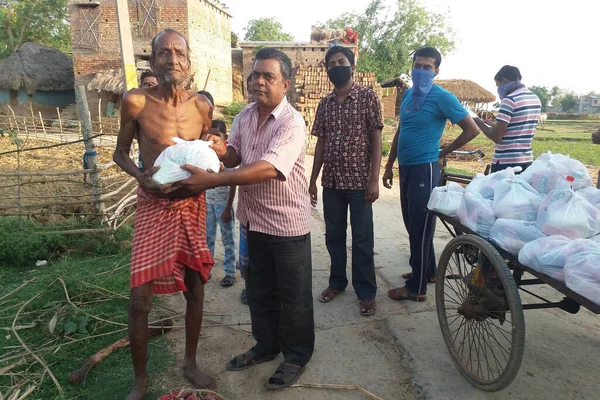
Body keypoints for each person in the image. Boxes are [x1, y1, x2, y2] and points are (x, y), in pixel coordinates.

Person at [176, 47, 314, 390]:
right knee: (258, 290)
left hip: (286, 226)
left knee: (293, 296)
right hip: (252, 221)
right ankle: (266, 345)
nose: (259, 82)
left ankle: (296, 355)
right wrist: (222, 151)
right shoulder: (244, 116)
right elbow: (237, 155)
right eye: (255, 75)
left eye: (269, 76)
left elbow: (269, 168)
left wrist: (213, 179)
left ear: (285, 84)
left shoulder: (292, 123)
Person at [112, 29, 216, 400]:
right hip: (153, 204)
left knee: (196, 287)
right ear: (153, 59)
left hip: (191, 206)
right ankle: (140, 382)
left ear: (188, 61)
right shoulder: (136, 102)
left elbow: (206, 151)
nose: (172, 59)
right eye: (164, 52)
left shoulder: (202, 106)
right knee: (140, 300)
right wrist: (143, 177)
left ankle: (190, 362)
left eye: (179, 52)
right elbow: (120, 152)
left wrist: (204, 177)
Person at [382, 46, 479, 302]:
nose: (421, 71)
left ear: (436, 71)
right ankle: (429, 271)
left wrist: (442, 151)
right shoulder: (408, 96)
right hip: (406, 167)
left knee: (420, 227)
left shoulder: (443, 97)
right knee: (414, 223)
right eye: (417, 66)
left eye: (427, 67)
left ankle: (417, 288)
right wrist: (389, 164)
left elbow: (471, 130)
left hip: (425, 167)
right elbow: (402, 131)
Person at [309, 46, 383, 316]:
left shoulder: (367, 98)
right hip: (332, 183)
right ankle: (337, 282)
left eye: (341, 62)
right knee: (334, 236)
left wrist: (374, 179)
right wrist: (313, 178)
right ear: (327, 69)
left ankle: (366, 292)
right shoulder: (325, 104)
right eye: (331, 64)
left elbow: (376, 138)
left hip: (360, 183)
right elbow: (321, 142)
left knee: (363, 239)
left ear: (351, 66)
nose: (336, 67)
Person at [473, 65, 541, 172]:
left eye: (497, 85)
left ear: (504, 81)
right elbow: (518, 128)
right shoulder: (534, 98)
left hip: (506, 163)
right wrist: (494, 125)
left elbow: (496, 137)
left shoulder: (510, 99)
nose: (498, 89)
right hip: (526, 160)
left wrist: (476, 121)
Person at [205, 119, 237, 287]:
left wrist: (227, 207)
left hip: (223, 204)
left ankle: (230, 272)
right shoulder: (205, 153)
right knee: (207, 239)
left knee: (228, 239)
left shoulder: (227, 156)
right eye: (209, 135)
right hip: (208, 203)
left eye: (216, 135)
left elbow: (233, 184)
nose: (212, 139)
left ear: (224, 136)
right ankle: (206, 270)